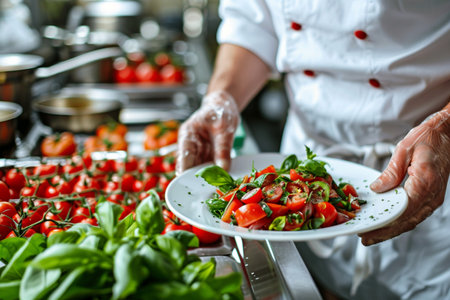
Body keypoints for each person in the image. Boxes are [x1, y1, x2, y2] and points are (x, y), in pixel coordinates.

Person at [176, 1, 450, 299]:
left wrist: (444, 127)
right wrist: (221, 98)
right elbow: (254, 24)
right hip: (311, 162)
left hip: (429, 161)